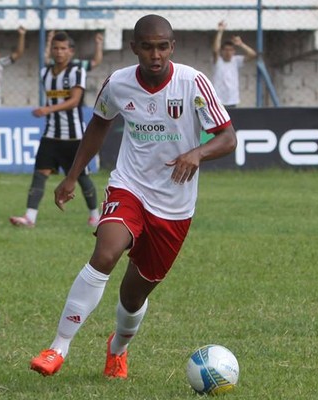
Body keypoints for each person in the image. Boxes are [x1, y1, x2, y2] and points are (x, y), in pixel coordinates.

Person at [28, 14, 237, 379]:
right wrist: (72, 176)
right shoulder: (118, 84)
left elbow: (228, 138)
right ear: (134, 48)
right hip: (130, 186)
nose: (155, 54)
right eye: (147, 46)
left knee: (133, 295)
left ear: (172, 47)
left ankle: (117, 348)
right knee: (105, 253)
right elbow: (98, 124)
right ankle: (57, 347)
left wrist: (197, 153)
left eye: (162, 46)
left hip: (174, 204)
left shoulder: (193, 83)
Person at [9, 31, 100, 228]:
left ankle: (95, 216)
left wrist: (48, 109)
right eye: (55, 48)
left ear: (71, 51)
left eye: (63, 49)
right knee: (40, 174)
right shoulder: (45, 73)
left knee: (81, 176)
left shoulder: (77, 72)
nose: (59, 52)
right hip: (51, 134)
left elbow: (75, 100)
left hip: (74, 136)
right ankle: (30, 218)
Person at [211, 20, 256, 107]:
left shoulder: (236, 61)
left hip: (232, 100)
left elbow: (253, 54)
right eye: (226, 50)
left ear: (234, 51)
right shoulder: (217, 61)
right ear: (222, 51)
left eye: (231, 50)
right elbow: (215, 50)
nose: (228, 52)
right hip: (218, 101)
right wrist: (220, 32)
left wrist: (241, 44)